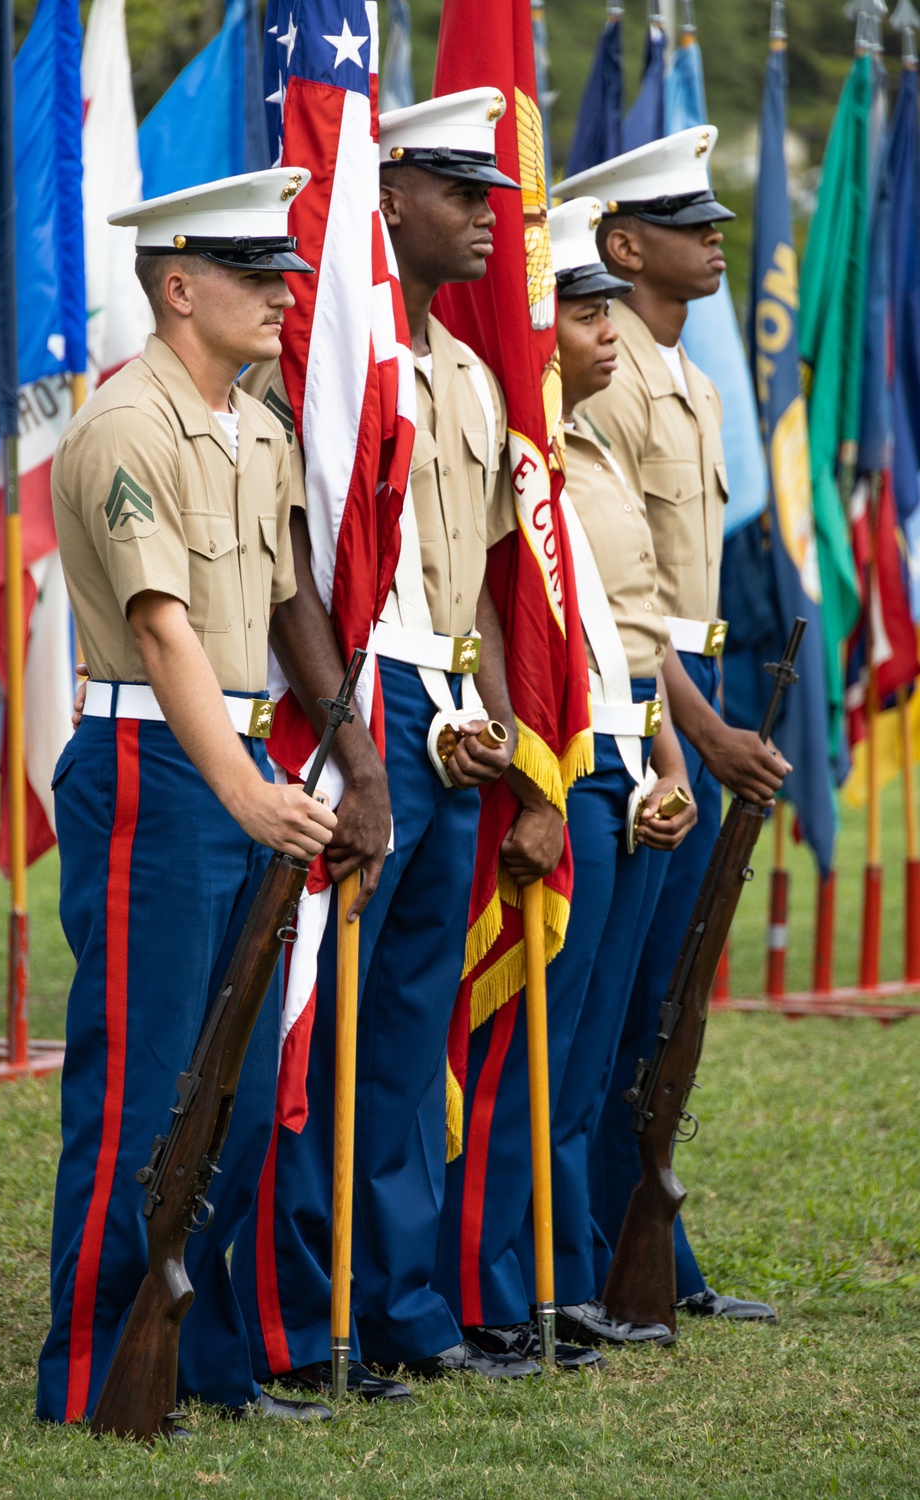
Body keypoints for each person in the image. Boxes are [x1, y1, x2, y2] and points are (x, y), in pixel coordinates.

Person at [229, 88, 560, 1396]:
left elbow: (481, 580)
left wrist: (502, 726)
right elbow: (299, 563)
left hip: (446, 712)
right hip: (350, 706)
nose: (489, 216)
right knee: (326, 1026)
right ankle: (303, 1318)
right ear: (390, 195)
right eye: (461, 192)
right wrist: (368, 732)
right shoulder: (325, 368)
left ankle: (402, 1302)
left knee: (411, 1035)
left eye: (491, 194)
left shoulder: (472, 375)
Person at [37, 171, 339, 1427]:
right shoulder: (125, 427)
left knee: (233, 1077)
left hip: (237, 764)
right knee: (142, 1080)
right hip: (155, 771)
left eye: (283, 271)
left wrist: (290, 775)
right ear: (179, 288)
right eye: (255, 275)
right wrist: (247, 794)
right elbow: (163, 634)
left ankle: (198, 1352)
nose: (282, 295)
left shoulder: (255, 428)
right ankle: (96, 1370)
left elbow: (273, 614)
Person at [434, 195, 698, 1360]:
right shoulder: (531, 461)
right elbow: (511, 620)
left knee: (586, 1051)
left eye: (604, 310)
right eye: (580, 312)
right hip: (555, 762)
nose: (605, 332)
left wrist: (660, 755)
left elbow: (616, 635)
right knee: (528, 1048)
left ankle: (551, 1272)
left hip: (616, 750)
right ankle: (495, 1289)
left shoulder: (572, 452)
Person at [553, 128, 789, 1322]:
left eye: (714, 223)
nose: (714, 240)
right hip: (658, 709)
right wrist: (696, 736)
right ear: (619, 244)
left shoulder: (687, 379)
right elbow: (620, 607)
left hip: (681, 698)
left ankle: (644, 1255)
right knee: (627, 999)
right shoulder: (612, 384)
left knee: (665, 1001)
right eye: (687, 226)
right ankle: (598, 1252)